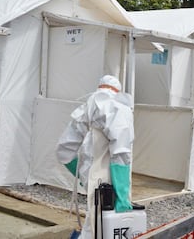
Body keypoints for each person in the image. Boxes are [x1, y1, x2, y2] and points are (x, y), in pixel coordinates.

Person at [56, 75, 135, 239]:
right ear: (117, 91)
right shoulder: (119, 108)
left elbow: (63, 150)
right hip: (109, 176)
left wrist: (82, 176)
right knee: (103, 225)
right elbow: (121, 152)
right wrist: (122, 194)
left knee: (94, 218)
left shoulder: (86, 107)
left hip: (90, 173)